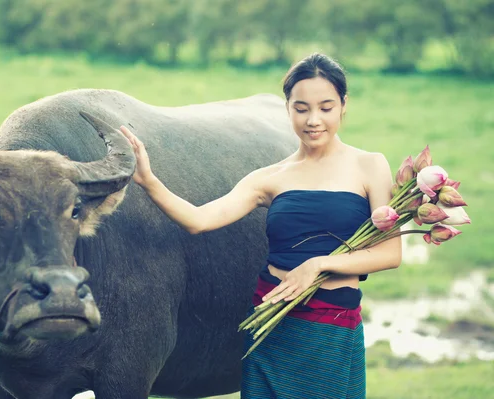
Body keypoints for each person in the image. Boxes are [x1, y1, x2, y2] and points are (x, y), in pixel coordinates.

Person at [119, 53, 402, 399]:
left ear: (344, 105)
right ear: (288, 109)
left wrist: (319, 264)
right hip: (271, 327)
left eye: (325, 108)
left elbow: (389, 252)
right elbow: (199, 220)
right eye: (301, 109)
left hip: (331, 332)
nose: (313, 120)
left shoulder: (370, 166)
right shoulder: (269, 178)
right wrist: (149, 182)